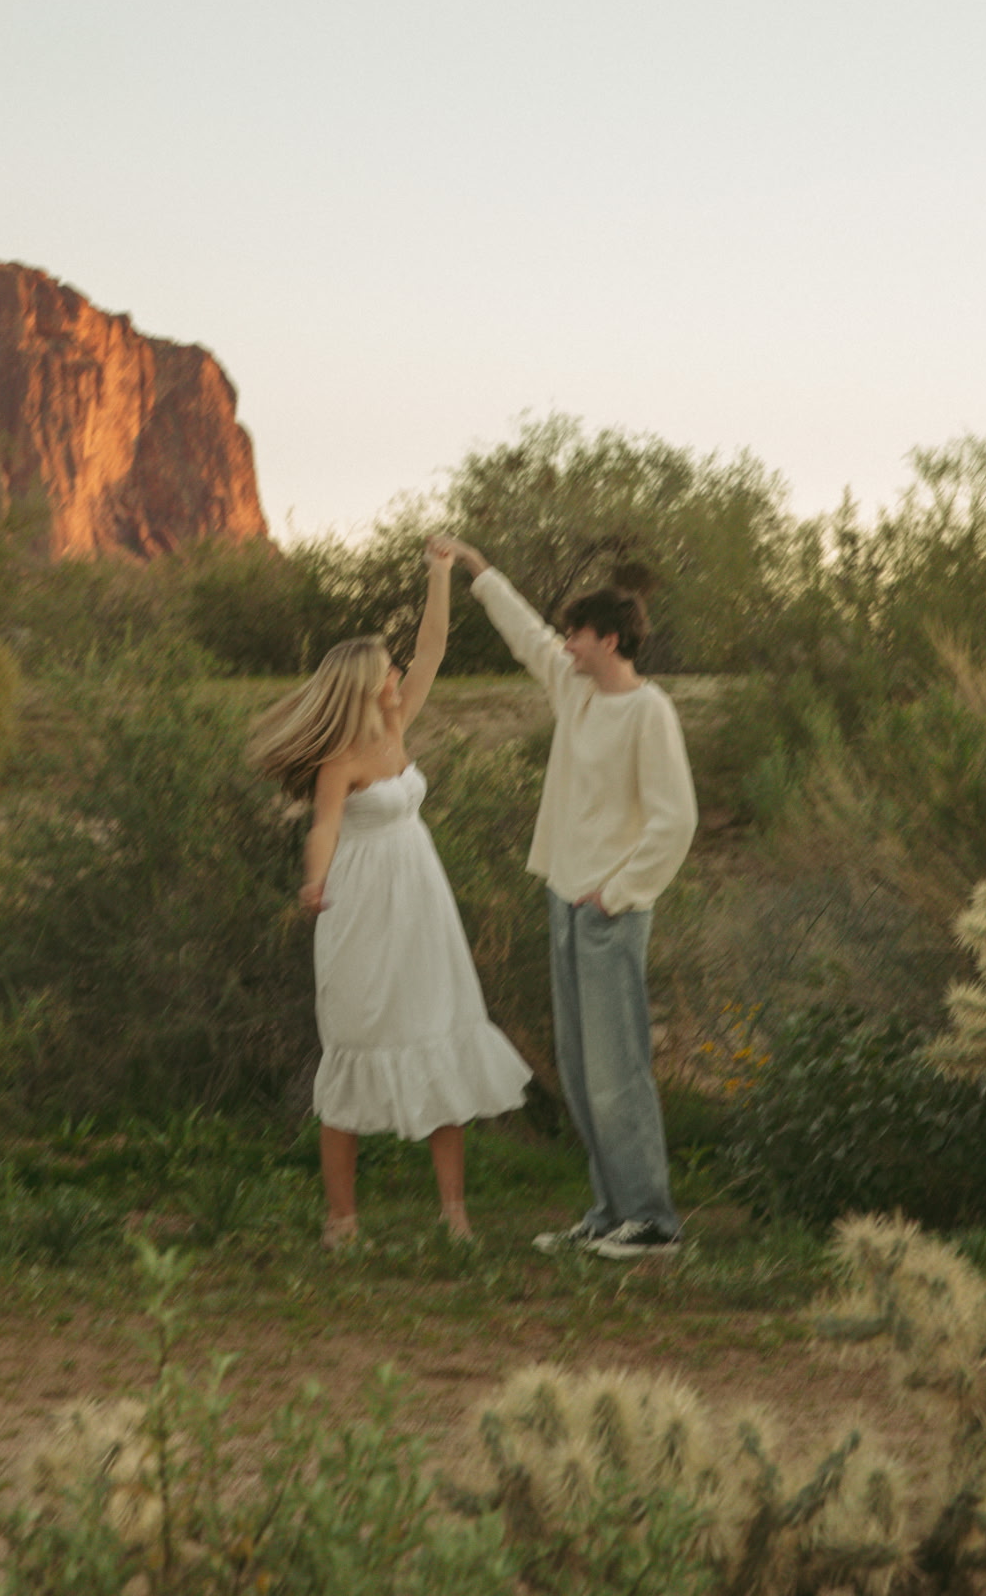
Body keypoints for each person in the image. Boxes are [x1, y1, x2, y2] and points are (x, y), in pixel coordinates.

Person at [248, 540, 530, 1249]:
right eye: (387, 670)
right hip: (361, 902)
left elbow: (432, 648)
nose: (399, 673)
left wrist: (439, 574)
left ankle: (453, 1216)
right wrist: (313, 882)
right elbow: (323, 829)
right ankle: (341, 1221)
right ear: (365, 684)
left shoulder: (397, 723)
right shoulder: (339, 758)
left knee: (436, 1030)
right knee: (355, 1040)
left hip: (420, 897)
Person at [438, 539, 697, 1258]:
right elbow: (523, 631)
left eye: (576, 634)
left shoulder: (649, 713)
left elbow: (675, 820)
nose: (563, 643)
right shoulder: (574, 689)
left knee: (617, 1071)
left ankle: (651, 1222)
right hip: (565, 899)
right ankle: (610, 1210)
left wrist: (614, 896)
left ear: (607, 641)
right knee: (581, 1069)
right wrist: (475, 567)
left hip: (609, 912)